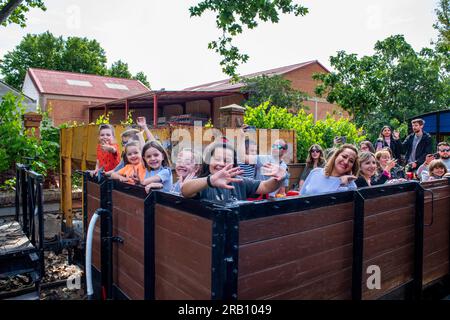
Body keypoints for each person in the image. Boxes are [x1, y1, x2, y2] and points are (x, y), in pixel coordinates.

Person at [181, 142, 287, 201]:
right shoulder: (202, 183)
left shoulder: (240, 182)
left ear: (234, 163)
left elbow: (265, 187)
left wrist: (279, 177)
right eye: (217, 159)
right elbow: (185, 190)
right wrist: (211, 180)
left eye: (227, 160)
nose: (221, 163)